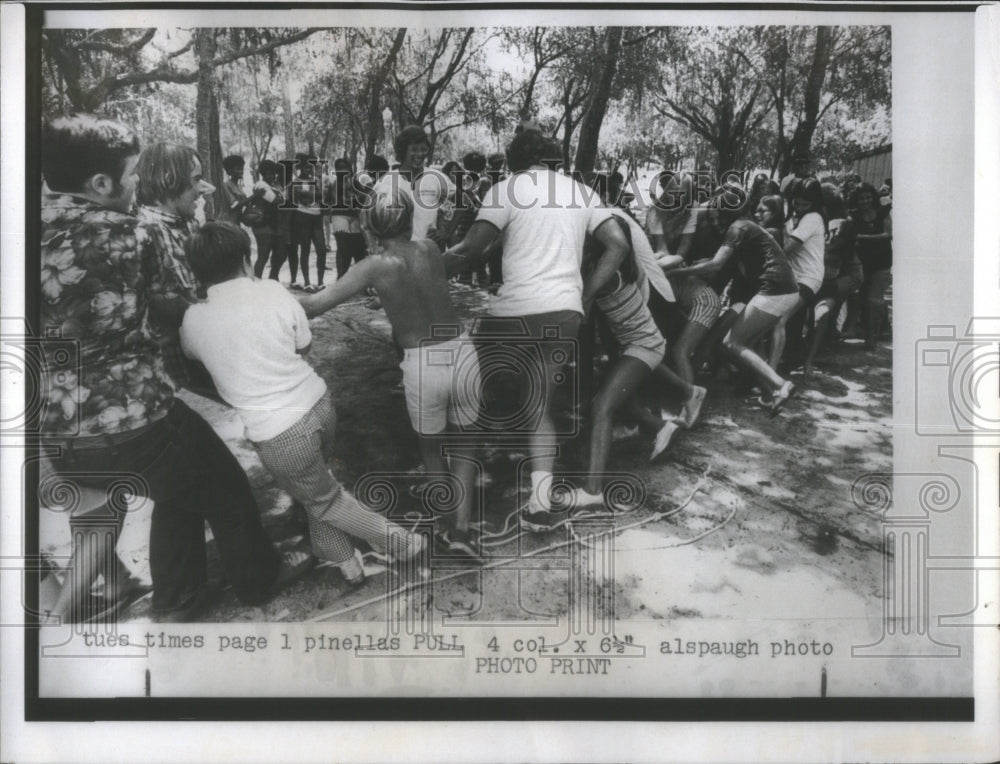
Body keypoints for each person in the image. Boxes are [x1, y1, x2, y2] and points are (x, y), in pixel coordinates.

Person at [38, 115, 311, 623]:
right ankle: (259, 577)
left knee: (180, 487)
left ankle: (178, 600)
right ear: (101, 184)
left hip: (57, 431)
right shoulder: (136, 232)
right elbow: (181, 309)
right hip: (132, 418)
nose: (138, 184)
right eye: (132, 173)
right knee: (224, 483)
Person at [179, 222, 426, 581]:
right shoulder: (273, 292)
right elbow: (304, 346)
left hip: (278, 432)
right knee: (318, 490)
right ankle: (346, 562)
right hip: (317, 404)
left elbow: (193, 357)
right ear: (247, 262)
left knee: (323, 498)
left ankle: (400, 542)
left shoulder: (193, 319)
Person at [443, 129, 630, 531]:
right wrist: (586, 293)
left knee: (468, 396)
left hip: (514, 312)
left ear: (515, 159)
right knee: (539, 405)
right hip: (564, 312)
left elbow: (471, 249)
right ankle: (540, 504)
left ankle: (458, 507)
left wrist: (423, 269)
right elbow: (617, 244)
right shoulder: (582, 191)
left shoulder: (506, 188)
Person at [298, 188, 481, 557]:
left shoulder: (372, 266)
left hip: (422, 362)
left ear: (370, 224)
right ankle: (461, 532)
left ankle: (448, 528)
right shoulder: (429, 249)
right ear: (409, 218)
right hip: (463, 352)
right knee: (464, 446)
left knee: (432, 451)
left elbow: (315, 306)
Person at [666, 189, 798, 415]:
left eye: (715, 214)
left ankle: (780, 384)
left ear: (723, 213)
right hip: (782, 289)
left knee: (732, 343)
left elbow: (716, 264)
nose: (713, 219)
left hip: (775, 289)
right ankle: (769, 392)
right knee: (741, 347)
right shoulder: (745, 227)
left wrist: (677, 273)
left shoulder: (738, 228)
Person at [133, 142, 219, 398]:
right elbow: (175, 307)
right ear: (169, 180)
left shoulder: (185, 223)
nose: (202, 189)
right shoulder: (148, 231)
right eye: (196, 180)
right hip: (174, 367)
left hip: (198, 350)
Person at [768, 177, 826, 371]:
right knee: (789, 322)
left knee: (780, 319)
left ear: (814, 203)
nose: (800, 207)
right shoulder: (793, 216)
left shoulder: (813, 218)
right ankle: (785, 362)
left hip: (808, 277)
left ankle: (770, 374)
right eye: (797, 202)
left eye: (805, 204)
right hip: (793, 275)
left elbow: (788, 248)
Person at [803, 185, 862, 376]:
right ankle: (805, 356)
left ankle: (809, 360)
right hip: (807, 280)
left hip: (826, 283)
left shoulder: (843, 226)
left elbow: (844, 257)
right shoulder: (810, 222)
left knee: (822, 316)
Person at [376, 126, 456, 252]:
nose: (419, 154)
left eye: (423, 149)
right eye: (414, 149)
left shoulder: (437, 178)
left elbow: (459, 200)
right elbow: (370, 216)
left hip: (428, 252)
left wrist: (446, 230)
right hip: (397, 253)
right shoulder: (387, 181)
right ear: (403, 150)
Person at [850, 182, 892, 348]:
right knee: (863, 297)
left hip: (882, 260)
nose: (865, 201)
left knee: (874, 299)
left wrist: (862, 237)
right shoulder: (853, 215)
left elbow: (888, 234)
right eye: (861, 199)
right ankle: (883, 328)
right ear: (856, 200)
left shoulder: (883, 213)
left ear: (873, 198)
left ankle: (871, 339)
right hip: (862, 262)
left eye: (868, 197)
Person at [288, 152, 328, 292]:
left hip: (317, 217)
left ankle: (321, 281)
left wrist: (311, 195)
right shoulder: (296, 181)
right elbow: (303, 199)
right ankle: (307, 282)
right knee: (305, 249)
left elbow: (323, 196)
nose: (309, 170)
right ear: (301, 168)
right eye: (306, 167)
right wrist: (315, 195)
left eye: (311, 167)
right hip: (302, 217)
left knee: (321, 250)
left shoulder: (316, 180)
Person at [328, 158, 367, 280]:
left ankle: (361, 281)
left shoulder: (356, 182)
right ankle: (341, 279)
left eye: (344, 167)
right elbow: (335, 201)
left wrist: (354, 199)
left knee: (358, 247)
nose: (342, 170)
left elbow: (365, 197)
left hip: (355, 216)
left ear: (349, 169)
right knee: (343, 245)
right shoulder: (334, 184)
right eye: (339, 168)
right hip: (340, 214)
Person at [247, 159, 286, 279]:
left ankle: (273, 277)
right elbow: (275, 200)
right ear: (262, 173)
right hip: (262, 223)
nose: (271, 175)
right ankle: (256, 281)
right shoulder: (261, 185)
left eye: (273, 173)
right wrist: (283, 199)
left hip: (274, 223)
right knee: (263, 255)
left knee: (281, 253)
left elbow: (282, 199)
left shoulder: (274, 185)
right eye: (268, 173)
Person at [218, 154, 248, 225]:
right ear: (229, 171)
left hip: (236, 222)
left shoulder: (239, 187)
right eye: (238, 169)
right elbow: (233, 206)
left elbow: (246, 203)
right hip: (226, 222)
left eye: (242, 169)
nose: (241, 172)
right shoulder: (226, 185)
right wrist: (254, 196)